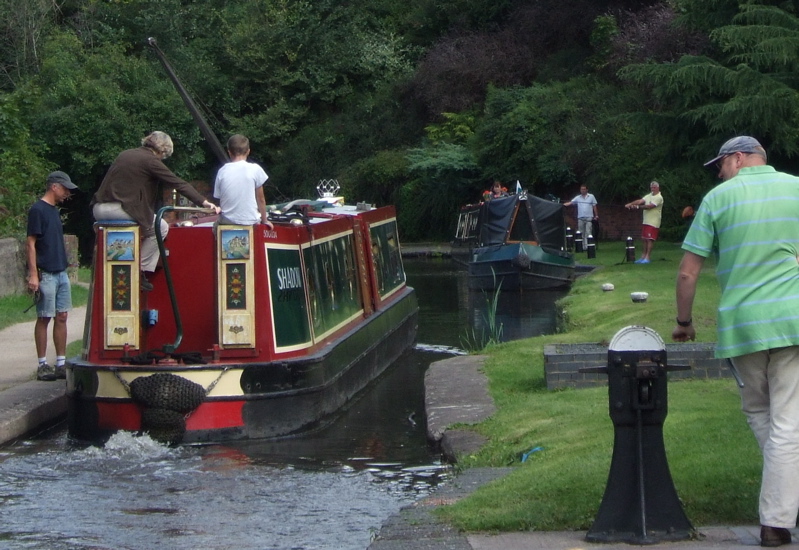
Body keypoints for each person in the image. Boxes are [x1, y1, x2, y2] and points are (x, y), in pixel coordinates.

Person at [672, 136, 799, 548]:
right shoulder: (796, 189)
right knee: (787, 422)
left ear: (738, 158)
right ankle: (782, 508)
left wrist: (684, 322)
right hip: (792, 321)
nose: (719, 172)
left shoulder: (718, 199)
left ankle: (776, 523)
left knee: (762, 413)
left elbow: (689, 271)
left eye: (721, 165)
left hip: (743, 325)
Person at [92, 131, 220, 290]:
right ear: (162, 151)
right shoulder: (151, 161)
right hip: (119, 210)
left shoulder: (125, 154)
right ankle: (139, 271)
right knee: (161, 227)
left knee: (147, 224)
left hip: (99, 209)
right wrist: (204, 202)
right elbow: (178, 183)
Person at [26, 171, 78, 381]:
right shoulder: (38, 210)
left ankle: (61, 362)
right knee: (44, 316)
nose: (67, 193)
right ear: (54, 186)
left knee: (62, 316)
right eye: (65, 188)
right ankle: (42, 364)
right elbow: (31, 243)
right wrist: (33, 274)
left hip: (61, 272)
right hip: (46, 272)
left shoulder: (54, 211)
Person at [213, 134, 274, 229]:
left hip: (228, 220)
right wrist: (264, 220)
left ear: (229, 152)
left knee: (215, 226)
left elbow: (219, 198)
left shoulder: (222, 171)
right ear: (248, 151)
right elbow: (261, 199)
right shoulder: (255, 169)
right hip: (250, 220)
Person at [624, 181, 663, 264]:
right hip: (646, 221)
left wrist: (638, 207)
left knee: (649, 239)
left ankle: (648, 257)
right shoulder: (649, 196)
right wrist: (630, 204)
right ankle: (643, 257)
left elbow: (650, 206)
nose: (653, 189)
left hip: (653, 222)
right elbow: (640, 201)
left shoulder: (659, 197)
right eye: (651, 187)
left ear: (658, 188)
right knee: (644, 239)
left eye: (654, 187)